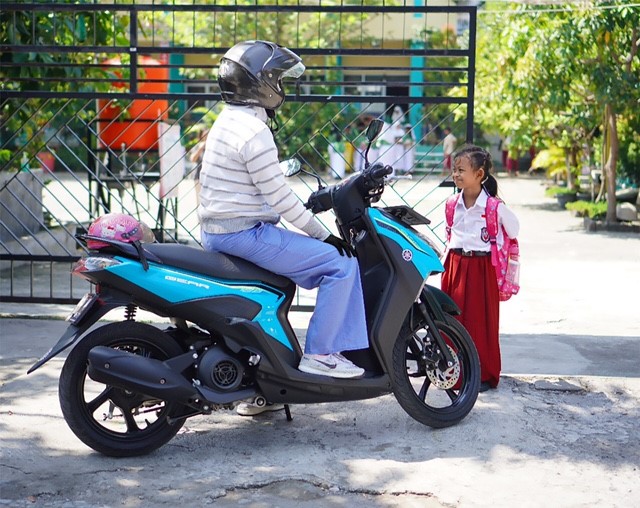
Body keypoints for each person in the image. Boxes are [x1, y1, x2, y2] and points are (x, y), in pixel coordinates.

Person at [198, 40, 368, 415]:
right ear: (260, 83)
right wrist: (325, 236)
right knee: (340, 265)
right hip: (245, 233)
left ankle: (262, 390)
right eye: (277, 78)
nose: (282, 86)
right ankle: (321, 354)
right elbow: (281, 200)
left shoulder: (227, 120)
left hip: (220, 230)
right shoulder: (253, 132)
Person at [441, 145, 520, 392]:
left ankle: (483, 375)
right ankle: (453, 374)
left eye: (461, 170)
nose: (456, 174)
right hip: (455, 267)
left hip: (481, 269)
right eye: (455, 170)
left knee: (480, 323)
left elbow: (514, 230)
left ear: (479, 174)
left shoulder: (494, 207)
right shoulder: (452, 203)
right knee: (453, 321)